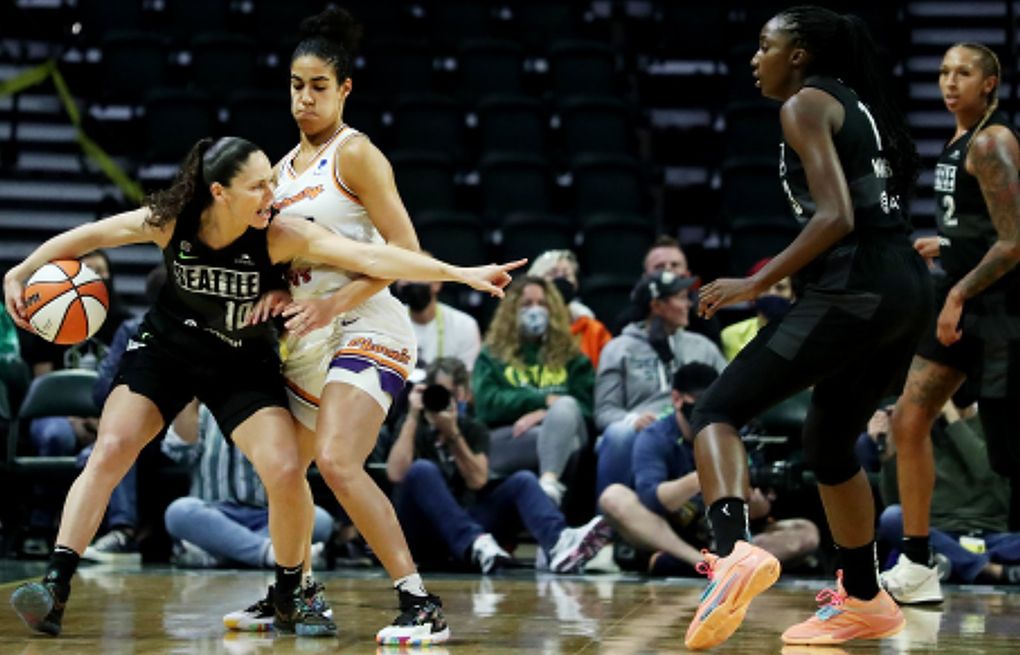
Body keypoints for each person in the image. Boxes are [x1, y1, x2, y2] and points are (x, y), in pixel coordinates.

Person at [3, 135, 520, 638]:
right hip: (167, 351)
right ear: (218, 192)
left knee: (284, 466)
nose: (273, 196)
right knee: (112, 447)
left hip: (238, 360)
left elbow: (376, 259)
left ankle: (292, 591)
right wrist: (22, 271)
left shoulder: (279, 233)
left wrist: (458, 272)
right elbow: (90, 235)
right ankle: (55, 584)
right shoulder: (171, 222)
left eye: (273, 182)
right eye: (258, 187)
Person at [227, 7, 520, 647]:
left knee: (337, 461)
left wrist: (334, 305)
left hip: (369, 323)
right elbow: (281, 258)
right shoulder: (276, 173)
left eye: (319, 86)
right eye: (297, 85)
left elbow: (403, 250)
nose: (305, 98)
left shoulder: (355, 154)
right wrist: (277, 292)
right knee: (283, 471)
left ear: (345, 89)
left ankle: (420, 604)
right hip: (306, 337)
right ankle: (294, 594)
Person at [683, 6, 933, 649]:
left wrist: (755, 283)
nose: (754, 57)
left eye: (766, 45)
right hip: (901, 288)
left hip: (857, 286)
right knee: (827, 447)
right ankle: (864, 598)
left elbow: (836, 216)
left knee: (716, 409)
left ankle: (731, 550)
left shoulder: (802, 105)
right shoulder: (850, 101)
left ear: (798, 54)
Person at [880, 42, 1020, 607]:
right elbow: (986, 226)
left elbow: (1014, 242)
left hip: (1001, 313)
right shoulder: (962, 138)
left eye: (963, 72)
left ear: (989, 84)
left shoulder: (992, 141)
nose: (949, 81)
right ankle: (917, 563)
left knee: (1010, 454)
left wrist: (957, 292)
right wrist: (952, 242)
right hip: (966, 307)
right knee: (908, 422)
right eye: (942, 71)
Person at [387, 357, 611, 575]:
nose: (447, 401)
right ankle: (474, 542)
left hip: (472, 529)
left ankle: (559, 543)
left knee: (523, 480)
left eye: (453, 395)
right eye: (440, 392)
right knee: (422, 469)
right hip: (421, 532)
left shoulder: (473, 429)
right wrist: (413, 416)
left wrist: (452, 433)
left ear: (464, 395)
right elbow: (396, 474)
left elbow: (478, 480)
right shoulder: (410, 424)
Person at [600, 363, 818, 577]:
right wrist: (705, 476)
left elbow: (759, 505)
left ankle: (712, 564)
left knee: (807, 533)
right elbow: (652, 499)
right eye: (702, 401)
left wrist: (757, 506)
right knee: (613, 497)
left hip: (727, 534)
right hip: (672, 532)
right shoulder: (657, 436)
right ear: (677, 399)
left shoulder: (741, 433)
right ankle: (701, 563)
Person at [594, 270, 726, 500]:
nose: (688, 304)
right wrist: (632, 421)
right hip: (640, 432)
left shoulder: (704, 347)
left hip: (691, 428)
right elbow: (604, 412)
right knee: (618, 433)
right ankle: (605, 524)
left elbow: (729, 393)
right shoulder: (619, 348)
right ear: (657, 305)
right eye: (681, 297)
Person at [162, 401, 334, 574]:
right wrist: (190, 400)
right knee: (179, 511)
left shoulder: (278, 412)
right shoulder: (203, 412)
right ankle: (271, 554)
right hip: (214, 515)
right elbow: (180, 453)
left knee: (320, 520)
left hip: (269, 515)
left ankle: (220, 554)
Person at [472, 276, 595, 507]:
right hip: (509, 438)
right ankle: (552, 496)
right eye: (527, 304)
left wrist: (547, 414)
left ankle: (548, 486)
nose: (535, 310)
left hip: (564, 432)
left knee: (566, 410)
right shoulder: (492, 355)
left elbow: (587, 408)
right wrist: (542, 400)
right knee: (567, 441)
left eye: (542, 304)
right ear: (511, 311)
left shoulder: (573, 357)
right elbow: (486, 404)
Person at [878, 401, 1020, 586]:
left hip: (991, 536)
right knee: (892, 517)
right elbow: (895, 502)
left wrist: (953, 419)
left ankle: (953, 563)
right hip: (939, 533)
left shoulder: (994, 423)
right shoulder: (919, 429)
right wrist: (889, 452)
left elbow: (987, 473)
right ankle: (989, 569)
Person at [528, 249, 612, 368]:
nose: (560, 279)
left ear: (576, 284)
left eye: (566, 275)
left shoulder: (593, 330)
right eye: (552, 273)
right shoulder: (524, 327)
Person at [393, 271, 482, 372]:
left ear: (436, 284)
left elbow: (465, 381)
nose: (408, 281)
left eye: (415, 274)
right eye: (403, 276)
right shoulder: (386, 321)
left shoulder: (464, 326)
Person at [719, 258, 796, 361]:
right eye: (765, 288)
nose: (772, 293)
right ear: (751, 295)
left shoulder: (805, 334)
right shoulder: (732, 335)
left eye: (780, 288)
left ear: (793, 295)